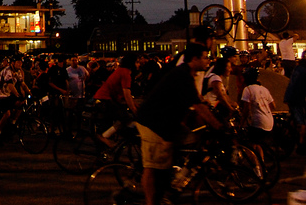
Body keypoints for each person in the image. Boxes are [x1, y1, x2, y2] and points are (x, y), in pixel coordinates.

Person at [134, 43, 224, 205]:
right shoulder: (181, 75)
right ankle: (151, 201)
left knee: (195, 139)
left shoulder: (188, 75)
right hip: (153, 123)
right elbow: (198, 105)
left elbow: (198, 101)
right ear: (194, 58)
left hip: (168, 122)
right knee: (154, 167)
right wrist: (219, 127)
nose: (208, 61)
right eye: (205, 57)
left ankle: (175, 178)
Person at [93, 52, 138, 148]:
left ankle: (104, 146)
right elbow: (126, 93)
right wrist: (134, 109)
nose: (139, 64)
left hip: (104, 98)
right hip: (105, 99)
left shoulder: (120, 70)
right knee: (126, 117)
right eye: (137, 62)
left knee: (118, 118)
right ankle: (103, 137)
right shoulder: (125, 73)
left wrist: (134, 104)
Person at [284, 53, 306, 156]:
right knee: (305, 123)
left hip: (290, 97)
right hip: (297, 99)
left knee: (295, 118)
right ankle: (302, 145)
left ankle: (288, 135)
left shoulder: (297, 68)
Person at [0, 55, 30, 138]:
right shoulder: (8, 71)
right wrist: (17, 95)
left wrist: (30, 92)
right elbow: (10, 84)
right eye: (18, 62)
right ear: (12, 63)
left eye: (21, 63)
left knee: (21, 103)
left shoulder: (18, 71)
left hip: (6, 94)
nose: (20, 64)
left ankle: (13, 122)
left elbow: (22, 84)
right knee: (7, 113)